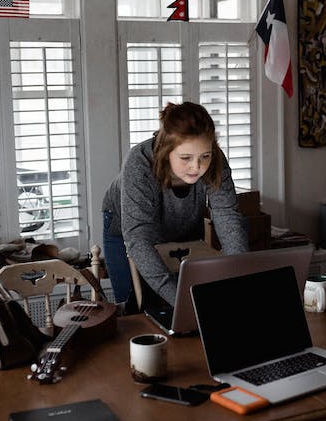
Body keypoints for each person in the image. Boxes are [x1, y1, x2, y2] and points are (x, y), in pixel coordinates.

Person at [101, 102, 248, 306]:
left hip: (182, 222)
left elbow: (227, 215)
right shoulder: (139, 163)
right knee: (132, 306)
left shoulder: (215, 160)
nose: (196, 167)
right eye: (185, 157)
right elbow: (138, 239)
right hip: (128, 228)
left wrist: (239, 275)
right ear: (165, 150)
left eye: (205, 156)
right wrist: (180, 302)